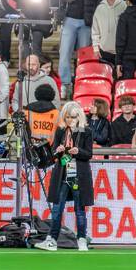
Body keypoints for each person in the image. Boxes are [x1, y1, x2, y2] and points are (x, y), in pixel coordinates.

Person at [35, 101, 94, 251]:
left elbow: (88, 154)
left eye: (73, 117)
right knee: (57, 208)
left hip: (78, 174)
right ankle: (52, 239)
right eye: (67, 117)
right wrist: (59, 149)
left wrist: (78, 151)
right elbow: (54, 151)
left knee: (79, 209)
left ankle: (81, 238)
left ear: (79, 116)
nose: (70, 120)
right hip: (62, 173)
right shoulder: (61, 131)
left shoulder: (86, 131)